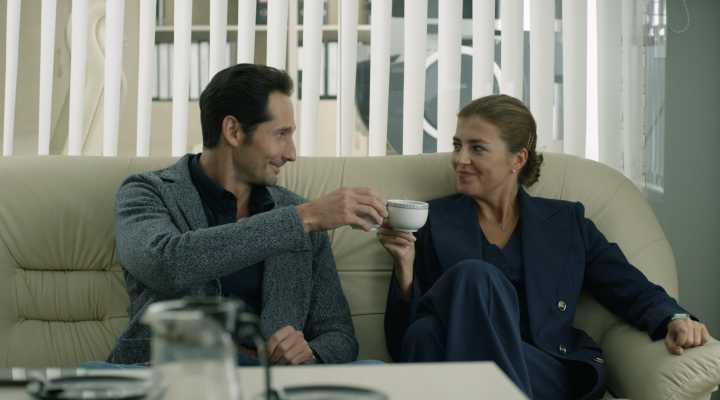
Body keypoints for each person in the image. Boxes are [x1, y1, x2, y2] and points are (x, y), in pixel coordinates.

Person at [378, 94, 711, 399]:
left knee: (471, 281)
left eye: (477, 148)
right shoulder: (433, 219)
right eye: (457, 145)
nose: (459, 159)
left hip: (541, 364)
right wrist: (404, 268)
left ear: (518, 158)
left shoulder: (566, 223)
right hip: (455, 363)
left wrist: (674, 317)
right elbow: (403, 337)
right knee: (434, 324)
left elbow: (628, 286)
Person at [109, 64, 387, 366]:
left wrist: (310, 351)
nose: (291, 153)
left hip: (266, 379)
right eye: (281, 134)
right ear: (233, 131)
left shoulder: (302, 214)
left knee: (376, 371)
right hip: (170, 374)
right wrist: (302, 219)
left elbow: (339, 335)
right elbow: (167, 264)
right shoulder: (148, 193)